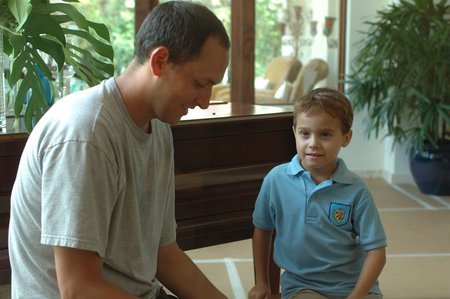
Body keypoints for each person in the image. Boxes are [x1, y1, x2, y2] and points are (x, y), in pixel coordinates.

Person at [8, 1, 230, 298]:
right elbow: (78, 288)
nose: (205, 101)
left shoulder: (158, 125)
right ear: (160, 61)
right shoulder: (86, 133)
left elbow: (163, 252)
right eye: (200, 83)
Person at [248, 88, 387, 299]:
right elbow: (262, 230)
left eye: (325, 134)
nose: (313, 143)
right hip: (303, 287)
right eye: (305, 133)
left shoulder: (357, 190)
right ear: (294, 131)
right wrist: (262, 283)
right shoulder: (275, 180)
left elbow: (376, 252)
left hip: (356, 288)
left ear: (346, 138)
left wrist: (356, 296)